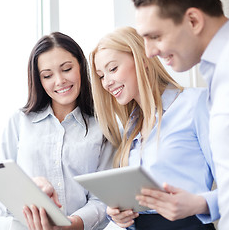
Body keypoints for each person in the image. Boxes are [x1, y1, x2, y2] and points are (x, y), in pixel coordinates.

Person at [131, 0, 229, 229]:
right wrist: (200, 203)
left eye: (155, 36)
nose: (150, 51)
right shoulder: (221, 70)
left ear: (193, 20)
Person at [89, 26, 219, 230]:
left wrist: (199, 204)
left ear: (142, 60)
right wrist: (118, 215)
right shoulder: (131, 128)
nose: (106, 82)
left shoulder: (195, 104)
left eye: (113, 69)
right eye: (101, 76)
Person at [0, 32, 114, 230]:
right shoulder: (19, 122)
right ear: (39, 80)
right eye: (47, 75)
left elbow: (103, 200)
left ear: (81, 67)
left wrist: (72, 225)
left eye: (67, 69)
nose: (59, 81)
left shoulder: (103, 127)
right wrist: (28, 189)